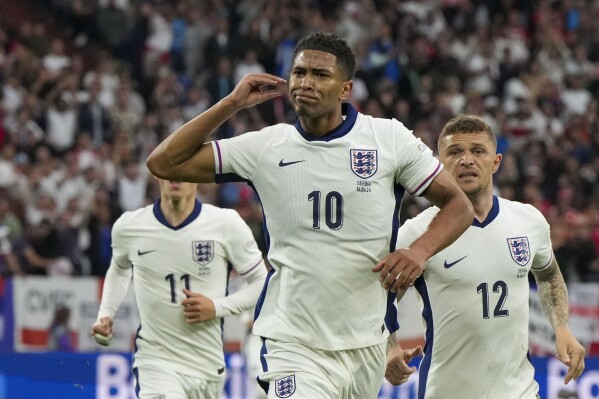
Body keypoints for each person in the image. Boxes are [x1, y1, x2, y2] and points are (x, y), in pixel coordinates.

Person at [146, 32, 473, 398]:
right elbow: (163, 162)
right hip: (293, 344)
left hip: (365, 344)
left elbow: (459, 205)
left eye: (320, 75)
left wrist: (419, 251)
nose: (305, 82)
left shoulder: (387, 139)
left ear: (345, 89)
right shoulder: (266, 147)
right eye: (299, 72)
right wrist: (231, 104)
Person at [385, 114, 586, 398]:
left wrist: (562, 327)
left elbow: (549, 274)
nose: (466, 160)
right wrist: (389, 346)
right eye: (455, 152)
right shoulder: (417, 233)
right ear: (438, 165)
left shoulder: (528, 220)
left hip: (521, 391)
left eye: (477, 151)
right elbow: (377, 299)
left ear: (496, 162)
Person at [91, 178, 267, 399]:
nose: (175, 176)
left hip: (208, 368)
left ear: (196, 175)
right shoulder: (130, 227)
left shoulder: (225, 224)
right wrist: (106, 313)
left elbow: (262, 282)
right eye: (169, 169)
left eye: (183, 169)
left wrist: (216, 307)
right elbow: (119, 268)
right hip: (156, 362)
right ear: (157, 175)